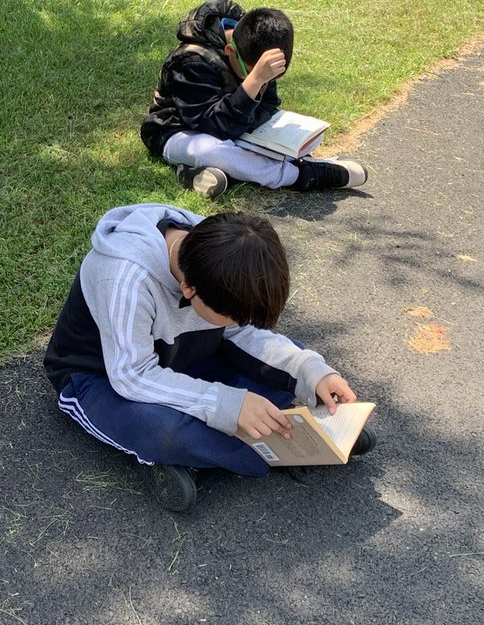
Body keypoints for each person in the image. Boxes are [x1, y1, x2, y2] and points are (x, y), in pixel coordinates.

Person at [43, 203, 375, 512]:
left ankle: (292, 433)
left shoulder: (220, 255)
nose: (240, 323)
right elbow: (131, 376)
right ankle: (294, 441)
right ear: (189, 290)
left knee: (287, 362)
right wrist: (226, 404)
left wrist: (310, 371)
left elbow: (244, 334)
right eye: (232, 317)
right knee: (164, 432)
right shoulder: (125, 278)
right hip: (100, 377)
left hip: (185, 356)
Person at [140, 0, 368, 198]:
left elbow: (268, 107)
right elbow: (213, 126)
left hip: (233, 128)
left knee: (305, 137)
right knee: (213, 151)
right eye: (254, 73)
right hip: (177, 132)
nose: (265, 81)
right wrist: (255, 81)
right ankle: (303, 174)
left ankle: (204, 174)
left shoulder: (258, 46)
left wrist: (261, 129)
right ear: (230, 51)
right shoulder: (191, 61)